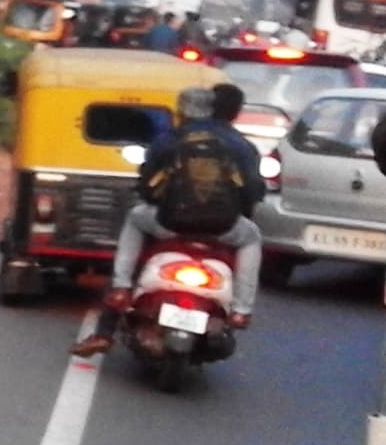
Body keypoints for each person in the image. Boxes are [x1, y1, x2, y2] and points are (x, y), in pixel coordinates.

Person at [71, 84, 264, 357]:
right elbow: (253, 193)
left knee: (135, 219)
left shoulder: (169, 140)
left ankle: (119, 294)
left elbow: (148, 188)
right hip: (222, 228)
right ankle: (242, 310)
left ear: (181, 111)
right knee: (252, 236)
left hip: (169, 224)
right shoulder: (243, 147)